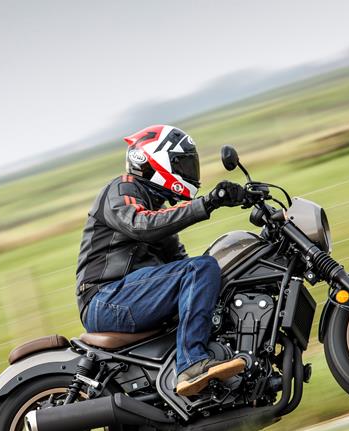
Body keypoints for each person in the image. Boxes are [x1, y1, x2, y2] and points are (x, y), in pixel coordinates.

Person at [75, 124, 246, 397]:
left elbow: (177, 260)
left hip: (128, 296)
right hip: (105, 298)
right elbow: (140, 224)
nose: (189, 171)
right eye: (182, 163)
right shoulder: (120, 189)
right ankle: (191, 365)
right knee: (201, 269)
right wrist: (208, 203)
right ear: (153, 161)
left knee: (210, 271)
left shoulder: (155, 206)